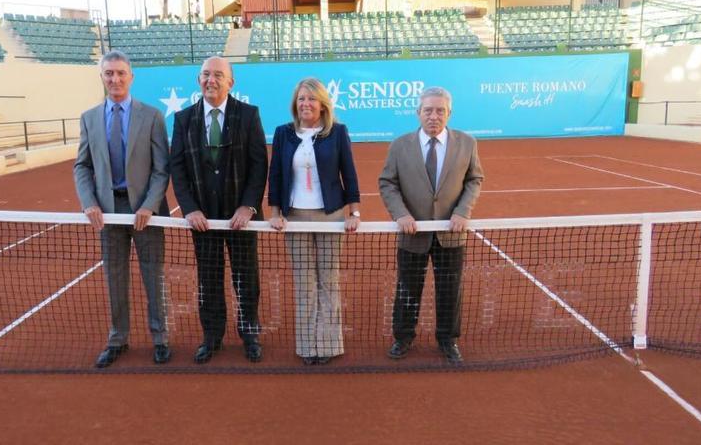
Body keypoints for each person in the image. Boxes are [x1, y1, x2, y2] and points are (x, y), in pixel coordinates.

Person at [73, 50, 172, 369]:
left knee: (152, 276)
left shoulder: (153, 116)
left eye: (120, 73)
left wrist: (149, 205)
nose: (114, 79)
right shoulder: (89, 118)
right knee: (115, 277)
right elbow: (82, 166)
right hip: (108, 211)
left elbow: (161, 168)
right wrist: (89, 201)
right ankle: (118, 338)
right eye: (108, 74)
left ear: (131, 76)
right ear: (101, 77)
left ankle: (160, 338)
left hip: (145, 211)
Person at [170, 56, 268, 364]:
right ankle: (212, 336)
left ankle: (249, 333)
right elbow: (178, 168)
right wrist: (189, 209)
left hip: (241, 219)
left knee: (246, 278)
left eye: (218, 75)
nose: (211, 80)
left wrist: (248, 206)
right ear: (199, 79)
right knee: (208, 279)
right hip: (203, 221)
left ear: (230, 82)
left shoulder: (248, 114)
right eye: (205, 74)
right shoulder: (184, 119)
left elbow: (258, 165)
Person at [378, 86, 484, 363]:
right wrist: (400, 214)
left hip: (452, 233)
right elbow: (387, 182)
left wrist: (463, 211)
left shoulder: (467, 143)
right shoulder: (400, 145)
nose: (433, 116)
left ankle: (448, 339)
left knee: (450, 289)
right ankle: (403, 337)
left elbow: (474, 179)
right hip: (412, 234)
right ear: (418, 113)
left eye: (440, 111)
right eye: (428, 110)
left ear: (449, 113)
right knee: (407, 288)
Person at [268, 78, 360, 365]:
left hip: (330, 215)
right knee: (304, 282)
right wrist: (274, 213)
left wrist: (354, 213)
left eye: (311, 99)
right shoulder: (283, 133)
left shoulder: (337, 132)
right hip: (295, 217)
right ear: (295, 104)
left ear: (322, 105)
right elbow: (276, 175)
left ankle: (330, 344)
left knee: (328, 281)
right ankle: (308, 346)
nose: (305, 104)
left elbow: (350, 172)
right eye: (301, 99)